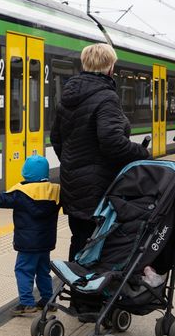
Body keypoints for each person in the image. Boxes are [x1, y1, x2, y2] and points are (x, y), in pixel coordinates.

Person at [50, 43, 150, 261]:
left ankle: (77, 287)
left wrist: (72, 164)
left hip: (73, 185)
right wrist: (142, 153)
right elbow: (112, 142)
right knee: (101, 241)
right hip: (100, 188)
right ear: (110, 67)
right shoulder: (107, 97)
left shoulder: (67, 96)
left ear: (85, 64)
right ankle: (94, 291)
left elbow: (56, 139)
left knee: (79, 237)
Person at [0, 155, 59, 316]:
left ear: (26, 172)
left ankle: (26, 302)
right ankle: (48, 300)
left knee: (23, 270)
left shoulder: (22, 193)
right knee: (43, 270)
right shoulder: (54, 191)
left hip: (27, 243)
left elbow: (0, 199)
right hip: (46, 242)